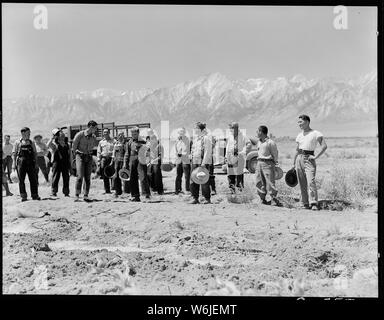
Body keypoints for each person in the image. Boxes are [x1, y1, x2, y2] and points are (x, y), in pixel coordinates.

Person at [293, 115, 327, 210]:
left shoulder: (316, 133)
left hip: (309, 159)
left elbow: (324, 146)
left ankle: (314, 203)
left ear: (307, 122)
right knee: (302, 182)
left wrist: (315, 157)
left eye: (301, 122)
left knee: (311, 181)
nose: (299, 124)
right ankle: (305, 203)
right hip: (299, 159)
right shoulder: (299, 135)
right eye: (298, 122)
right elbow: (297, 150)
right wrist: (293, 162)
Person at [72, 120, 98, 201]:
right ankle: (77, 195)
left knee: (87, 177)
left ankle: (86, 195)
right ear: (91, 127)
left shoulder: (93, 137)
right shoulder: (80, 134)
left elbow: (94, 146)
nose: (96, 130)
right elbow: (74, 146)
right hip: (80, 156)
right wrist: (75, 157)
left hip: (89, 157)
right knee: (80, 176)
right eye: (95, 128)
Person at [12, 127, 40, 202]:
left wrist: (36, 164)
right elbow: (14, 154)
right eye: (28, 133)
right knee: (21, 180)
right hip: (21, 162)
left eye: (29, 133)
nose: (29, 134)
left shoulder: (31, 142)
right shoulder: (18, 142)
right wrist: (14, 164)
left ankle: (35, 195)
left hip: (31, 162)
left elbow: (35, 153)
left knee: (33, 179)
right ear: (23, 133)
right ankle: (23, 196)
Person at [255, 125, 281, 206]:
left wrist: (274, 163)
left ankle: (273, 199)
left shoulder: (270, 142)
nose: (256, 133)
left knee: (270, 182)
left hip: (268, 163)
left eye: (257, 131)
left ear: (261, 132)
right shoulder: (259, 142)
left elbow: (275, 154)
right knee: (259, 181)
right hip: (259, 163)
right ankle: (262, 199)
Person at [123, 127, 151, 201]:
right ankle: (135, 196)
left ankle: (146, 195)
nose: (133, 135)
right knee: (132, 178)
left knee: (143, 177)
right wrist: (125, 163)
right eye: (132, 134)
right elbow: (127, 153)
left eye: (135, 134)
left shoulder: (143, 141)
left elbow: (148, 152)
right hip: (132, 161)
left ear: (138, 133)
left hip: (141, 161)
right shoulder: (129, 142)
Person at [189, 122, 212, 204]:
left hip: (202, 162)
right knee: (193, 179)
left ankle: (207, 198)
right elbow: (193, 150)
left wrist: (204, 162)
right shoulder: (195, 139)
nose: (195, 130)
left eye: (196, 128)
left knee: (203, 180)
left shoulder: (206, 139)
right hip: (194, 161)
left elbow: (207, 151)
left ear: (200, 129)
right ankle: (194, 197)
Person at [225, 122, 249, 193]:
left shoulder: (243, 136)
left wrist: (242, 152)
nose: (230, 130)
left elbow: (248, 145)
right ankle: (232, 190)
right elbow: (228, 147)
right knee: (230, 174)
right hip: (230, 158)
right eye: (230, 128)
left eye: (231, 128)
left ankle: (240, 190)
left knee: (239, 175)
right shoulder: (230, 137)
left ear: (236, 128)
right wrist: (226, 157)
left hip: (239, 158)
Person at [47, 129, 71, 197]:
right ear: (57, 136)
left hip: (65, 162)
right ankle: (53, 192)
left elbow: (70, 155)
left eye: (63, 134)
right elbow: (48, 145)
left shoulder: (67, 144)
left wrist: (70, 165)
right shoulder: (55, 144)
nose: (62, 135)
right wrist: (52, 138)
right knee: (55, 177)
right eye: (60, 134)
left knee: (66, 177)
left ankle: (66, 192)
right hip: (56, 163)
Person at [146, 129, 164, 195]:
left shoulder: (159, 146)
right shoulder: (149, 146)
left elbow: (160, 156)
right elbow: (147, 154)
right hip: (151, 162)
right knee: (149, 175)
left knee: (157, 175)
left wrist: (154, 160)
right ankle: (153, 189)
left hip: (156, 162)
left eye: (153, 139)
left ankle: (160, 190)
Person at [97, 128, 114, 194]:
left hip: (111, 159)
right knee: (105, 174)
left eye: (107, 132)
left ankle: (114, 189)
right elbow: (99, 152)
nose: (105, 133)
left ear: (109, 133)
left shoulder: (113, 141)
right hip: (104, 159)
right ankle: (107, 190)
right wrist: (98, 160)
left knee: (112, 173)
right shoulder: (101, 142)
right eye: (104, 132)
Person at [174, 127, 191, 195]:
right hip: (178, 160)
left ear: (184, 132)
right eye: (180, 132)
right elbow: (175, 149)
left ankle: (188, 189)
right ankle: (178, 190)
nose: (181, 133)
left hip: (185, 159)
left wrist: (183, 154)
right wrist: (177, 154)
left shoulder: (188, 140)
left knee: (187, 176)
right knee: (178, 175)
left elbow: (188, 150)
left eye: (182, 132)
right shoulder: (177, 140)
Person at [112, 132, 129, 197]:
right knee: (116, 177)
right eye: (119, 135)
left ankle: (126, 191)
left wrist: (125, 163)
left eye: (122, 135)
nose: (120, 136)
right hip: (116, 161)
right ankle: (118, 191)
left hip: (123, 161)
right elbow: (114, 153)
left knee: (124, 176)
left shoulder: (125, 144)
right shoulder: (116, 143)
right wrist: (112, 161)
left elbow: (126, 153)